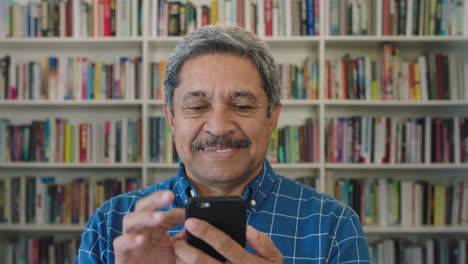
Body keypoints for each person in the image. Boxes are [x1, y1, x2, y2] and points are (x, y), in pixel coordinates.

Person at [76, 25, 370, 264]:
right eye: (196, 106)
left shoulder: (332, 226)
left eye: (241, 106)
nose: (218, 127)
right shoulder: (112, 223)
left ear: (272, 117)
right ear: (171, 118)